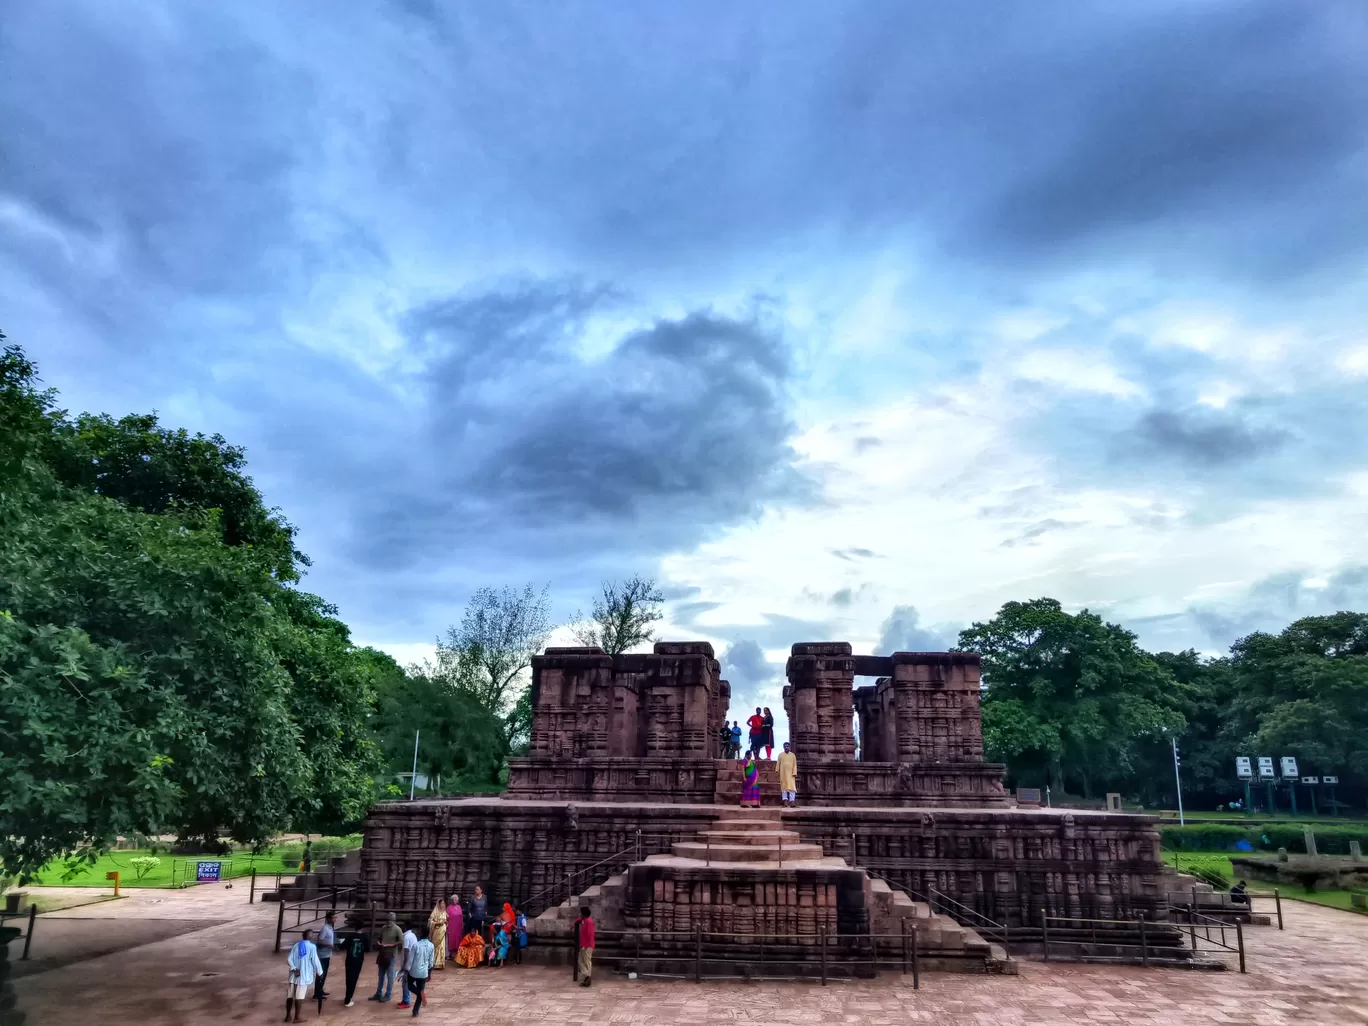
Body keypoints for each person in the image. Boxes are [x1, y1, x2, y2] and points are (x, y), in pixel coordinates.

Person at [286, 928, 323, 1023]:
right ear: (310, 936)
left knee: (290, 996)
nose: (314, 936)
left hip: (294, 975)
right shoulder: (312, 947)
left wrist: (294, 968)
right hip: (303, 976)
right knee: (299, 997)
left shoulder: (296, 945)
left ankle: (287, 1016)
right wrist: (320, 973)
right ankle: (297, 1017)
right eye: (313, 935)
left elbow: (289, 959)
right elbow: (315, 961)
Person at [370, 911, 402, 1002]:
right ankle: (378, 993)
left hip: (391, 954)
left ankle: (388, 993)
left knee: (390, 975)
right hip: (382, 953)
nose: (388, 922)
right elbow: (378, 938)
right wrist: (379, 943)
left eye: (390, 920)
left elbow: (401, 941)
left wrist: (391, 945)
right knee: (381, 975)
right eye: (387, 920)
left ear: (394, 921)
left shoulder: (397, 929)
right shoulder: (383, 928)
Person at [407, 924, 436, 1017]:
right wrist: (430, 973)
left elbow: (410, 960)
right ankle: (415, 1011)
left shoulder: (415, 945)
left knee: (410, 986)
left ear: (420, 934)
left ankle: (419, 992)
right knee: (421, 990)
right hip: (424, 972)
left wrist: (406, 970)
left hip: (414, 971)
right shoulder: (431, 946)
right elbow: (431, 962)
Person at [337, 927, 368, 1007]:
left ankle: (347, 997)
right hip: (358, 961)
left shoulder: (350, 936)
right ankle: (349, 998)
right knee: (354, 979)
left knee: (348, 978)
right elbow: (367, 949)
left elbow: (342, 946)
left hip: (349, 960)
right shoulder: (364, 937)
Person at [314, 910, 335, 1012]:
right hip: (322, 955)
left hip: (327, 954)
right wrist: (329, 945)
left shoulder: (331, 928)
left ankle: (320, 990)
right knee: (320, 974)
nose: (335, 919)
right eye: (333, 918)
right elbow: (319, 941)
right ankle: (317, 993)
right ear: (328, 919)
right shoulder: (325, 929)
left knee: (324, 973)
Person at [396, 920, 418, 1009]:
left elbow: (406, 951)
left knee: (405, 982)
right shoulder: (413, 935)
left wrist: (405, 964)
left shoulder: (406, 937)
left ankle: (406, 1001)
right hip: (413, 962)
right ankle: (405, 999)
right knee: (406, 982)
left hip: (408, 963)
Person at [572, 905, 595, 987]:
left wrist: (586, 945)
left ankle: (587, 976)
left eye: (581, 913)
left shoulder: (588, 922)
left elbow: (590, 935)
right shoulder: (584, 920)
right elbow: (576, 921)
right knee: (581, 961)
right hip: (584, 945)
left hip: (587, 946)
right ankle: (587, 976)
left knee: (587, 961)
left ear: (583, 914)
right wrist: (579, 919)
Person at [428, 899, 448, 971]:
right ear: (439, 904)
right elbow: (430, 921)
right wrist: (437, 923)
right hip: (437, 931)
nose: (442, 905)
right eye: (441, 904)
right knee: (436, 946)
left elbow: (445, 921)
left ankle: (440, 963)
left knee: (442, 947)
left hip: (442, 931)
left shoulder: (444, 912)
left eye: (443, 903)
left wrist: (445, 923)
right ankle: (434, 962)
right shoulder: (435, 912)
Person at [777, 741, 798, 808]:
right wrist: (777, 770)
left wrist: (794, 773)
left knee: (792, 788)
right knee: (784, 788)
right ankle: (785, 802)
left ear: (789, 747)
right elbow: (778, 763)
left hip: (791, 775)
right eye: (785, 746)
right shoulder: (780, 755)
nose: (786, 747)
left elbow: (795, 765)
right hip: (783, 774)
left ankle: (792, 802)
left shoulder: (793, 755)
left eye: (787, 746)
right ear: (783, 747)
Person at [445, 895, 463, 961]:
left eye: (456, 899)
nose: (454, 901)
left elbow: (461, 917)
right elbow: (446, 918)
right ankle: (450, 954)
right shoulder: (449, 908)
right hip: (451, 926)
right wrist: (447, 926)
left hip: (458, 926)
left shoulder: (459, 907)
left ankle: (457, 954)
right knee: (451, 939)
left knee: (458, 938)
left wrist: (462, 925)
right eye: (453, 899)